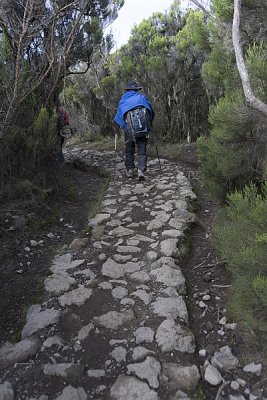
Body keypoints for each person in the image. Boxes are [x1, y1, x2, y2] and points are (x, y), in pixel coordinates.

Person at [114, 80, 155, 181]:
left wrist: (124, 126)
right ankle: (141, 170)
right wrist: (149, 125)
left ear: (127, 90)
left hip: (129, 127)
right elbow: (151, 111)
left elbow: (119, 116)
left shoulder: (124, 99)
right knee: (142, 148)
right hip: (143, 128)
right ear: (137, 89)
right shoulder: (142, 97)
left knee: (129, 148)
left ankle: (130, 170)